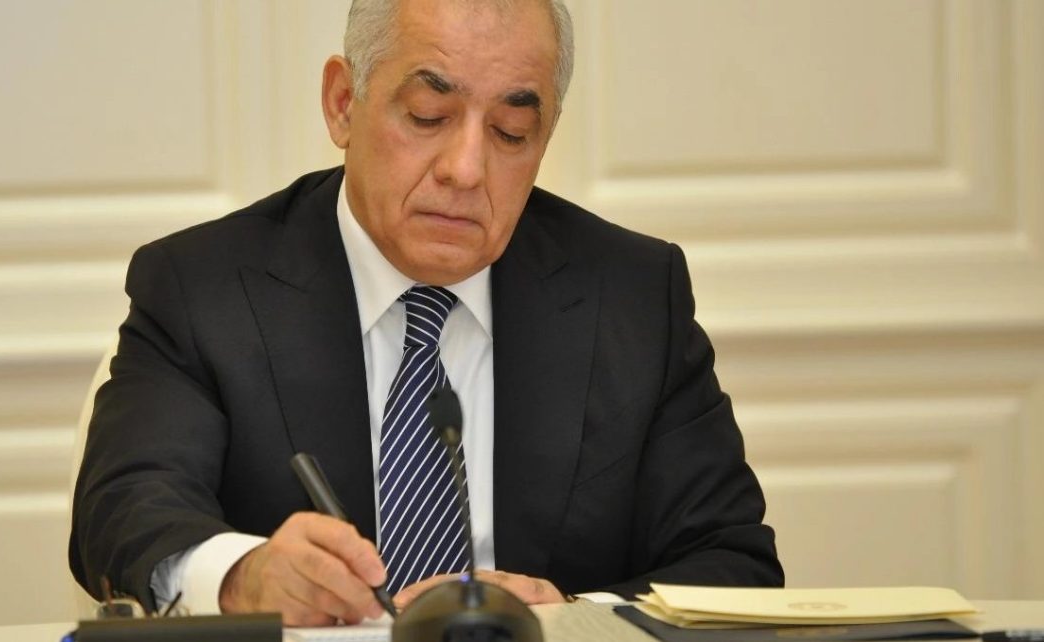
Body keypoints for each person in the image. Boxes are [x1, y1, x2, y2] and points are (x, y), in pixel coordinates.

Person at [69, 0, 782, 627]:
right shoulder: (204, 288)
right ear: (343, 103)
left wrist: (572, 617)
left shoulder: (633, 297)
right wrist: (242, 578)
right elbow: (124, 509)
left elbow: (732, 561)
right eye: (427, 116)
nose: (465, 169)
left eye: (510, 132)